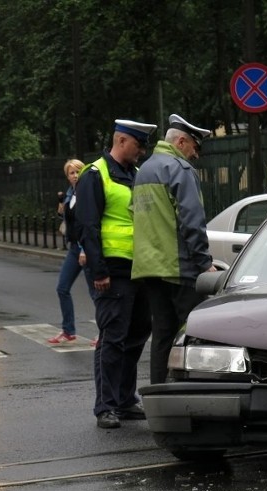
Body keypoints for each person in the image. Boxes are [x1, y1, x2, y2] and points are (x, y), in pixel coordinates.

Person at [77, 119, 156, 429]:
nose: (142, 151)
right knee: (112, 339)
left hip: (140, 269)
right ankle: (106, 406)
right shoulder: (95, 174)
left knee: (136, 336)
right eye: (139, 145)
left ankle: (125, 400)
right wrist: (99, 270)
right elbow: (88, 225)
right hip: (113, 271)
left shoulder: (134, 175)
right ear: (122, 141)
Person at [131, 114, 216, 385]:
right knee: (194, 332)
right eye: (195, 147)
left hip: (149, 268)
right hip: (179, 268)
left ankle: (158, 393)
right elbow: (192, 221)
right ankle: (192, 392)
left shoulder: (144, 170)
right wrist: (204, 263)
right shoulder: (180, 169)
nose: (196, 155)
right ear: (181, 141)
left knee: (163, 334)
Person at [49, 159, 96, 344]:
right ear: (67, 176)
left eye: (78, 171)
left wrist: (85, 250)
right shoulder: (70, 193)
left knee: (95, 293)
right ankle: (68, 331)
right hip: (74, 248)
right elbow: (69, 218)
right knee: (62, 288)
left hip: (86, 249)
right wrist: (61, 209)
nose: (75, 175)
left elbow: (87, 223)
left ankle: (104, 331)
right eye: (71, 173)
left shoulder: (87, 193)